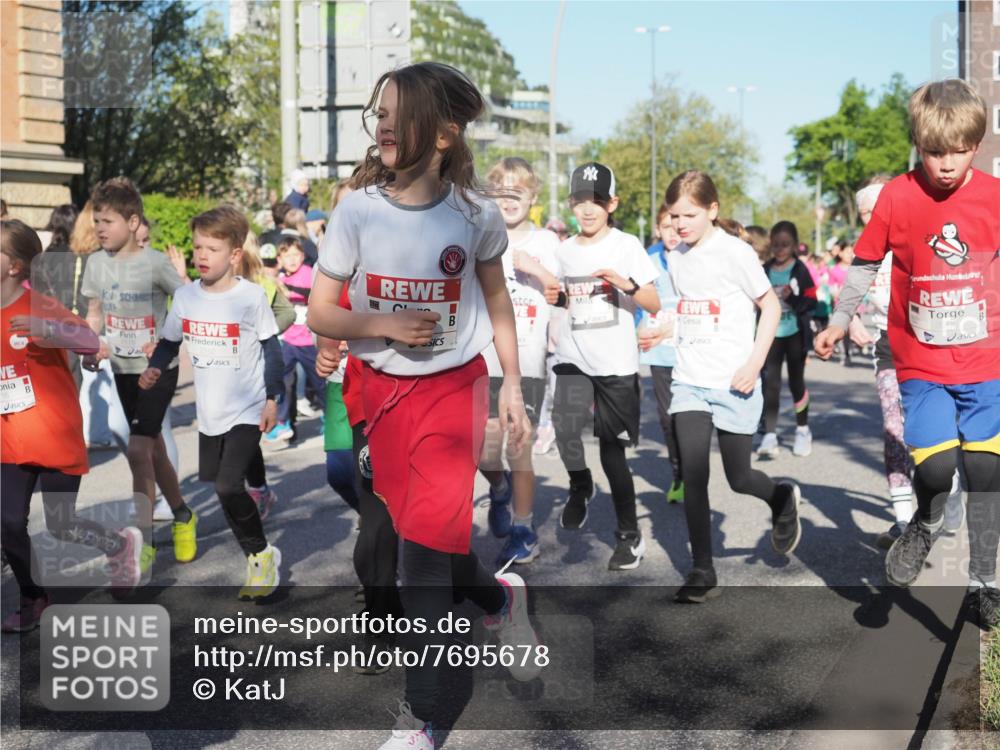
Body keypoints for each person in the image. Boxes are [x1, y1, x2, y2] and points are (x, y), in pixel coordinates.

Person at [307, 61, 540, 749]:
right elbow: (322, 309)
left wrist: (514, 386)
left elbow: (498, 302)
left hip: (451, 391)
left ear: (441, 135)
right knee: (420, 534)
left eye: (396, 113)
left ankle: (422, 714)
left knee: (422, 560)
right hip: (375, 393)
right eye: (377, 111)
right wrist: (378, 326)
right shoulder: (356, 210)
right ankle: (500, 597)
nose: (381, 123)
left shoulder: (474, 215)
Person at [815, 80, 1000, 629]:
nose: (947, 164)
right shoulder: (897, 196)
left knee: (987, 473)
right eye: (935, 152)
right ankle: (924, 518)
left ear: (978, 143)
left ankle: (986, 582)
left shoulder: (993, 195)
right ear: (919, 143)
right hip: (920, 360)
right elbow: (868, 262)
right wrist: (840, 318)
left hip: (986, 360)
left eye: (960, 150)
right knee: (939, 469)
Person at [641, 170, 802, 603]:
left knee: (739, 477)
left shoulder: (735, 253)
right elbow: (694, 312)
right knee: (694, 475)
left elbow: (768, 307)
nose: (679, 224)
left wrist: (754, 362)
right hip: (690, 382)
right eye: (674, 216)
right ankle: (702, 569)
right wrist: (663, 331)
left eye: (689, 214)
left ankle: (781, 498)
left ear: (713, 210)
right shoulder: (676, 257)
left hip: (735, 382)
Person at [1, 219, 143, 631]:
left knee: (62, 523)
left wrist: (49, 331)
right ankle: (33, 596)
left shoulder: (39, 307)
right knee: (8, 521)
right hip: (8, 437)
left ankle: (118, 544)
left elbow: (90, 342)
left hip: (53, 431)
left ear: (14, 266)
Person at [140, 206, 284, 600]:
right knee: (222, 487)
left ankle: (260, 555)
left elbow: (273, 351)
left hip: (247, 406)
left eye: (211, 248)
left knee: (226, 485)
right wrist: (155, 367)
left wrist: (272, 399)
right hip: (210, 413)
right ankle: (259, 510)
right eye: (197, 247)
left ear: (235, 254)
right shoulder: (185, 297)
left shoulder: (251, 297)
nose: (201, 255)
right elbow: (170, 341)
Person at [79, 177, 196, 576]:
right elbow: (94, 313)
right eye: (96, 221)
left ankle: (143, 542)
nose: (99, 228)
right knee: (154, 451)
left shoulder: (155, 263)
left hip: (157, 370)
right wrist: (91, 346)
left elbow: (186, 305)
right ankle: (182, 514)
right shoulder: (96, 263)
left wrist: (163, 343)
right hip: (122, 370)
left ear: (132, 222)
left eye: (107, 221)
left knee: (137, 450)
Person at [550, 161, 661, 570]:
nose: (588, 208)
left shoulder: (626, 245)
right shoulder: (564, 251)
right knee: (564, 427)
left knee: (613, 452)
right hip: (573, 354)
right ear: (571, 204)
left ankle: (630, 536)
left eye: (597, 200)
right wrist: (556, 298)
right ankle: (580, 484)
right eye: (580, 200)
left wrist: (625, 283)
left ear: (612, 203)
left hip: (615, 362)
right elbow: (569, 299)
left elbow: (653, 302)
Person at [478, 156, 560, 565]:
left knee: (519, 446)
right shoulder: (480, 236)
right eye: (501, 192)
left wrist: (536, 270)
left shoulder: (546, 242)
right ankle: (498, 489)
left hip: (527, 362)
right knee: (485, 450)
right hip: (484, 360)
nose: (509, 200)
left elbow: (559, 293)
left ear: (534, 197)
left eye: (518, 192)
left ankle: (524, 528)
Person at [239, 231, 295, 518]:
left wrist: (263, 333)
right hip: (221, 376)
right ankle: (245, 489)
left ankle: (258, 490)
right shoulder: (210, 285)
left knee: (247, 436)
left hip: (254, 372)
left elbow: (288, 314)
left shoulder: (263, 283)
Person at [757, 221, 817, 458]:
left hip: (794, 334)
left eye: (786, 245)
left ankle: (803, 430)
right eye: (776, 245)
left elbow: (812, 301)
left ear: (794, 245)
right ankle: (769, 434)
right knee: (770, 384)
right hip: (771, 334)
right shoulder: (765, 269)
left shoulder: (800, 270)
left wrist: (792, 299)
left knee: (796, 383)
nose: (780, 250)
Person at [637, 203, 684, 503]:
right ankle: (679, 474)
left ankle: (694, 470)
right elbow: (635, 299)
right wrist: (635, 330)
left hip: (692, 350)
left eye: (675, 225)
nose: (672, 232)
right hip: (658, 353)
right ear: (658, 229)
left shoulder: (694, 257)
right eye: (666, 226)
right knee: (667, 420)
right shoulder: (647, 259)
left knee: (689, 418)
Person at [265, 235, 326, 442]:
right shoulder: (279, 278)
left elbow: (315, 294)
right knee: (282, 381)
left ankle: (331, 418)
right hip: (288, 340)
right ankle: (282, 422)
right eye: (286, 255)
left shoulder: (309, 274)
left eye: (296, 254)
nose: (292, 259)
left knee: (319, 382)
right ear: (279, 258)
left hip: (309, 341)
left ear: (303, 256)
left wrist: (289, 290)